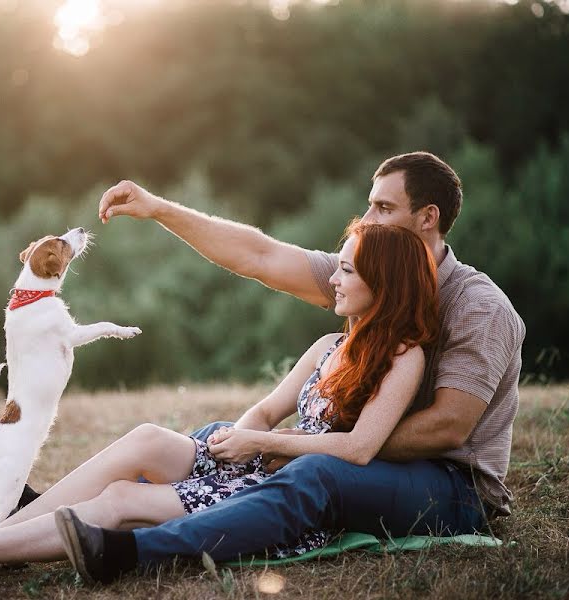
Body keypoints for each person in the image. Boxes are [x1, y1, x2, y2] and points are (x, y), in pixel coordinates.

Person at [0, 221, 443, 584]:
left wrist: (260, 445)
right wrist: (236, 441)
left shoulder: (404, 357)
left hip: (285, 498)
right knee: (146, 437)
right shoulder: (328, 345)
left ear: (382, 282)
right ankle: (0, 537)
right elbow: (266, 412)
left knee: (121, 499)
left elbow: (362, 448)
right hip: (250, 467)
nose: (335, 280)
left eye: (347, 269)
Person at [50, 151, 525, 583]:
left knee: (315, 472)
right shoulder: (367, 270)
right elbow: (258, 255)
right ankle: (60, 515)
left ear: (428, 218)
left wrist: (306, 445)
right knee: (219, 435)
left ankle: (129, 550)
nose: (366, 219)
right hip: (362, 459)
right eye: (369, 205)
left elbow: (448, 428)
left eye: (384, 208)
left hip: (453, 487)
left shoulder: (479, 308)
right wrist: (159, 208)